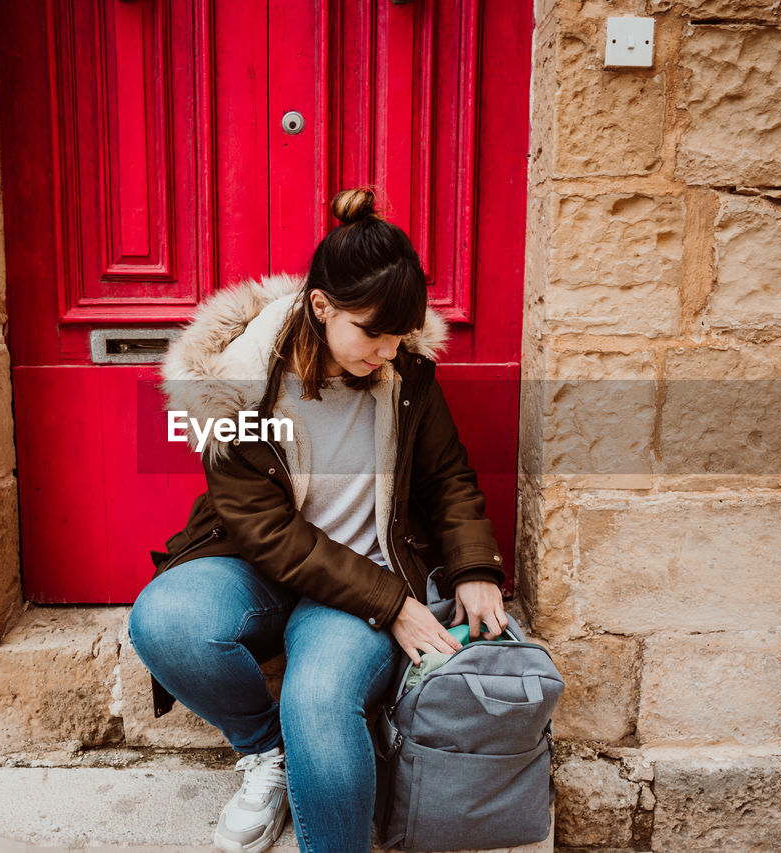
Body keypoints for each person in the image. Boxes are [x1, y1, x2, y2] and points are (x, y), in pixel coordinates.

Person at [127, 187, 509, 853]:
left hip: (360, 583)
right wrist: (393, 604)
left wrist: (475, 567)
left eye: (399, 335)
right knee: (164, 620)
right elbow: (265, 530)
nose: (389, 350)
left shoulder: (406, 370)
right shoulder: (237, 382)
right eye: (372, 333)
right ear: (320, 304)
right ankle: (264, 750)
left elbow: (447, 476)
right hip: (263, 567)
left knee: (319, 702)